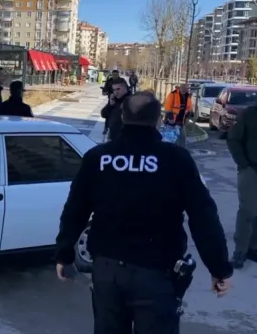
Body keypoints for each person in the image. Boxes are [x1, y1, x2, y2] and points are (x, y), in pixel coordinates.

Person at [54, 91, 233, 334]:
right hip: (156, 274)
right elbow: (203, 218)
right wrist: (219, 268)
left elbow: (75, 208)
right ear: (158, 119)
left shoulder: (98, 158)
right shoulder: (176, 159)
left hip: (108, 272)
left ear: (123, 116)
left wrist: (64, 253)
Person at [226, 103, 257, 269]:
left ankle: (253, 248)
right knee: (248, 211)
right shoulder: (248, 114)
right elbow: (233, 138)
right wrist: (243, 164)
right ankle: (240, 252)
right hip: (251, 169)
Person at [164, 83, 193, 148]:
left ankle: (181, 152)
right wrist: (171, 119)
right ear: (179, 88)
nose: (184, 90)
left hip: (181, 121)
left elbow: (189, 108)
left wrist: (187, 118)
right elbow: (167, 107)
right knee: (170, 139)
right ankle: (169, 152)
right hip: (172, 121)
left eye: (186, 89)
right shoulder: (172, 95)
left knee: (182, 138)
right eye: (183, 88)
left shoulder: (188, 96)